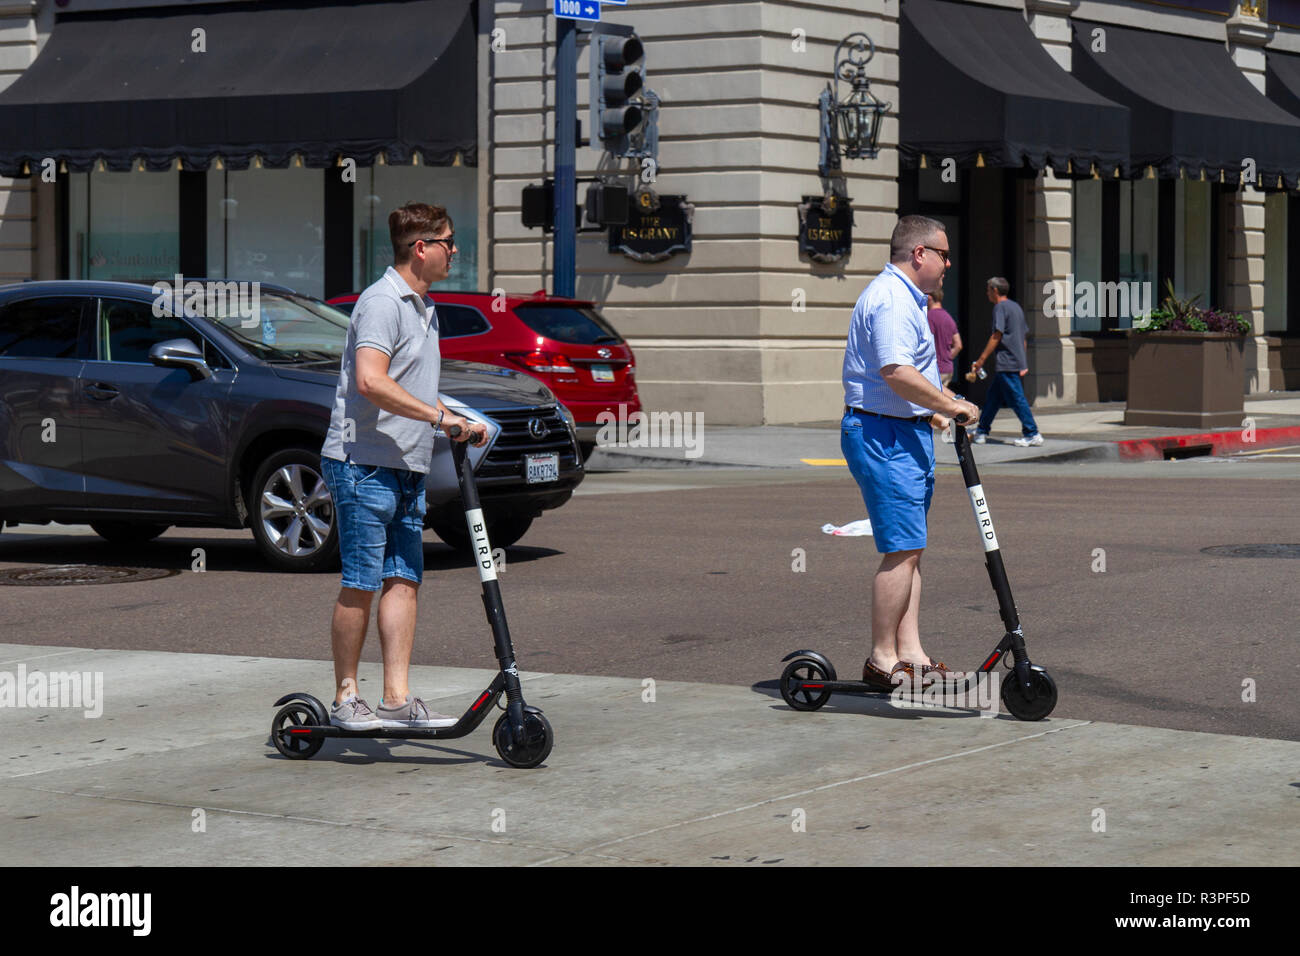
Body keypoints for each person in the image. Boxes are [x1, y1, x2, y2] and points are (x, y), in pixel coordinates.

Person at [319, 202, 488, 731]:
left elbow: (413, 387)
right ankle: (346, 697)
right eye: (448, 241)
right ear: (422, 248)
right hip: (362, 462)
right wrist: (440, 417)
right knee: (362, 581)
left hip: (406, 464)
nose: (454, 250)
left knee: (404, 580)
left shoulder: (423, 306)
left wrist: (457, 417)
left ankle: (396, 697)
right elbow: (371, 381)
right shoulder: (382, 302)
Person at [841, 215, 980, 691]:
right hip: (883, 436)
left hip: (902, 431)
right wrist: (953, 404)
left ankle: (912, 654)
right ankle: (883, 659)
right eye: (943, 254)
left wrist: (937, 417)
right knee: (900, 550)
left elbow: (901, 381)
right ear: (919, 254)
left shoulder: (907, 299)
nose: (948, 265)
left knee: (911, 549)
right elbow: (896, 371)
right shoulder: (893, 300)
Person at [970, 277, 1043, 446]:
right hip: (1014, 361)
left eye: (988, 290)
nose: (987, 293)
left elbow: (997, 334)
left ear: (995, 291)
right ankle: (981, 431)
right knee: (994, 397)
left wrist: (981, 360)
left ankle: (1032, 432)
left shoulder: (1000, 307)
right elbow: (1023, 337)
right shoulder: (1015, 307)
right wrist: (1023, 362)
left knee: (1017, 399)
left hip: (1007, 361)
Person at [926, 287, 961, 443]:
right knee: (943, 404)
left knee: (929, 404)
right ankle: (951, 434)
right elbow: (958, 344)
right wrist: (948, 356)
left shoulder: (929, 317)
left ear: (930, 298)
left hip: (935, 368)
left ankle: (944, 434)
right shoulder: (948, 317)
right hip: (948, 367)